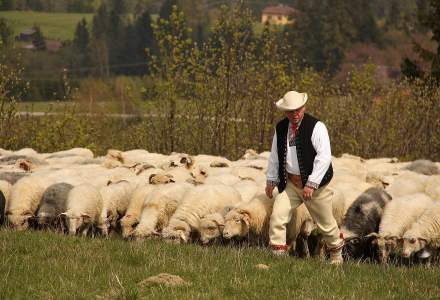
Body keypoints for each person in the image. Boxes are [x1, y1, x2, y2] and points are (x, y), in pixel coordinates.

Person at [265, 90, 344, 264]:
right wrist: (271, 180)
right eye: (290, 111)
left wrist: (312, 183)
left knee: (326, 223)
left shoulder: (316, 126)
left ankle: (336, 257)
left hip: (315, 186)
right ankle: (278, 257)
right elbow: (275, 156)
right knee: (278, 214)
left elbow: (324, 157)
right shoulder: (281, 128)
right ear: (285, 111)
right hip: (292, 184)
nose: (294, 114)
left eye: (298, 110)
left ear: (304, 107)